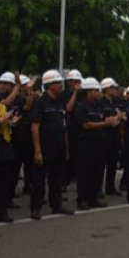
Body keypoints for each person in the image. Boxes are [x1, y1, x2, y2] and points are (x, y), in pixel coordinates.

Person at [30, 70, 74, 220]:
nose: (60, 86)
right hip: (45, 145)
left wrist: (66, 148)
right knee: (39, 178)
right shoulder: (41, 103)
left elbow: (64, 126)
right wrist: (37, 150)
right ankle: (35, 207)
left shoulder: (60, 102)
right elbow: (35, 126)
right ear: (49, 85)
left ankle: (57, 205)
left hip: (59, 145)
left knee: (57, 178)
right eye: (57, 83)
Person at [73, 78, 118, 210]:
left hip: (99, 143)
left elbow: (104, 120)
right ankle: (82, 199)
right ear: (88, 92)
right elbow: (86, 125)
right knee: (84, 173)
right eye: (96, 90)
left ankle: (93, 197)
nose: (98, 93)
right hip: (86, 143)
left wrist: (113, 120)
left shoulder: (98, 106)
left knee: (96, 172)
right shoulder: (81, 107)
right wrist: (105, 123)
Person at [100, 78, 124, 196]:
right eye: (113, 88)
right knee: (100, 164)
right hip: (104, 135)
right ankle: (97, 188)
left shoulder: (115, 102)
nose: (115, 90)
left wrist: (119, 117)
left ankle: (110, 187)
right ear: (106, 89)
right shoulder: (101, 102)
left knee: (113, 163)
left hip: (114, 135)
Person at [0, 91, 18, 223]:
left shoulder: (1, 107)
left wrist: (12, 122)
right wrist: (6, 117)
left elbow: (5, 126)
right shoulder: (3, 111)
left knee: (3, 183)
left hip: (3, 146)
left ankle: (2, 211)